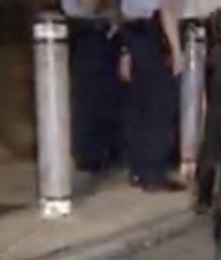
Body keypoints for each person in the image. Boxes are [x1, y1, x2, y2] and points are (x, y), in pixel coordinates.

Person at [119, 0, 187, 192]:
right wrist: (176, 50)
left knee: (140, 103)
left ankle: (138, 168)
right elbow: (168, 6)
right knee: (161, 103)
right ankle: (154, 171)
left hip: (133, 29)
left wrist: (125, 50)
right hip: (155, 32)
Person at [62, 0, 124, 175]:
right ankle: (89, 153)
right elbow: (89, 5)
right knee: (90, 95)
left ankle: (103, 150)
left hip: (99, 27)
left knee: (104, 94)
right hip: (90, 28)